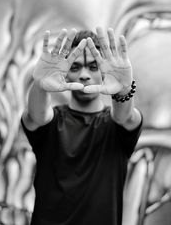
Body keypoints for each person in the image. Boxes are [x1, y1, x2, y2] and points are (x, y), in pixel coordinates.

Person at [21, 26, 143, 225]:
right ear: (65, 73)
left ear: (104, 72)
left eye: (94, 66)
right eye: (75, 67)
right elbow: (36, 116)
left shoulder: (115, 125)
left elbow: (126, 117)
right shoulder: (52, 122)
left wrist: (123, 90)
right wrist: (39, 85)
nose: (84, 75)